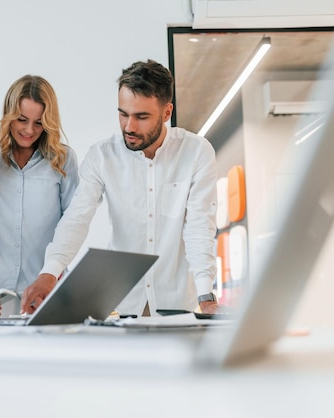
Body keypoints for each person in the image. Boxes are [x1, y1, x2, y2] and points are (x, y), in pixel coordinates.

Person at [21, 59, 220, 316]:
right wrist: (50, 272)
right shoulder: (102, 156)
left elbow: (199, 226)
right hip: (122, 302)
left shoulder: (196, 152)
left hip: (177, 301)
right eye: (123, 114)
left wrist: (206, 294)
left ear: (167, 112)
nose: (129, 126)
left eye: (141, 117)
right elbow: (77, 218)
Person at [0, 75, 79, 311]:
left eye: (39, 122)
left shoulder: (62, 160)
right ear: (9, 115)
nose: (29, 130)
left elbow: (73, 222)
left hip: (44, 286)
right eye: (22, 119)